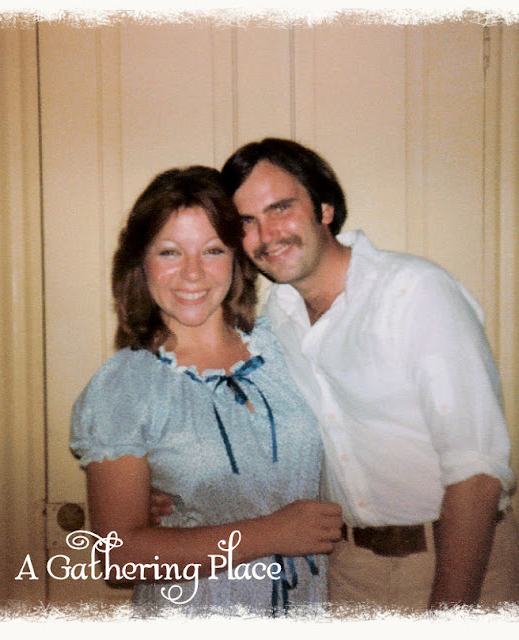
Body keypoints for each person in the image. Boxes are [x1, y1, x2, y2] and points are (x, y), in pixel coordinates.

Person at [215, 137, 519, 612]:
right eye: (247, 221)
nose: (267, 234)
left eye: (281, 208)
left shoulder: (414, 292)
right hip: (349, 571)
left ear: (324, 208)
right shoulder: (275, 321)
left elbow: (477, 472)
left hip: (459, 562)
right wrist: (169, 490)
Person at [70, 165, 342, 617]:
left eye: (213, 250)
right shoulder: (125, 387)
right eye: (170, 252)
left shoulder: (287, 344)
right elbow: (119, 558)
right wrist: (272, 533)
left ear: (238, 258)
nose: (192, 274)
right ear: (140, 262)